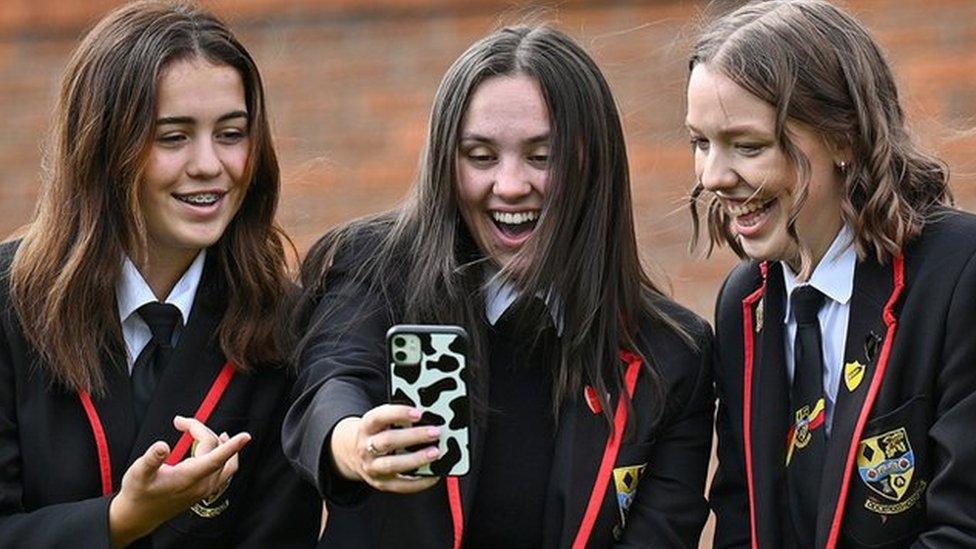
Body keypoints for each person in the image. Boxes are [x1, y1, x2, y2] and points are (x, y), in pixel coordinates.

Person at [282, 23, 713, 548]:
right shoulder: (374, 268)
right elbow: (332, 382)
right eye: (481, 157)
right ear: (447, 162)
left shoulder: (672, 355)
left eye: (542, 157)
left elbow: (663, 535)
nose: (509, 186)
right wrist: (354, 444)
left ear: (592, 164)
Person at [0, 2, 320, 546]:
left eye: (231, 133)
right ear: (103, 150)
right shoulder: (11, 303)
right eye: (172, 137)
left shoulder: (283, 327)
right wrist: (119, 519)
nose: (209, 165)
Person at [686, 1, 976, 547]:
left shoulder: (960, 272)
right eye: (701, 143)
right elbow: (740, 520)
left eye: (748, 146)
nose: (713, 177)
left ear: (843, 138)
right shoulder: (743, 302)